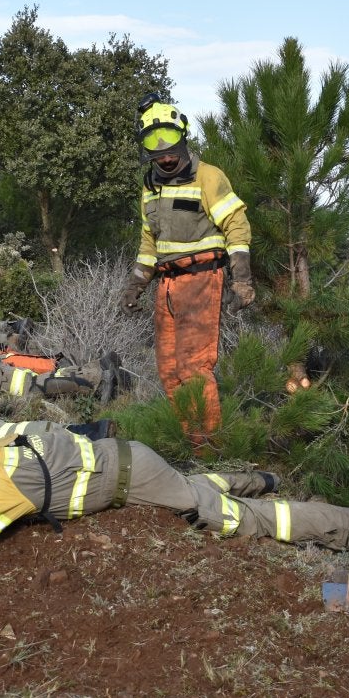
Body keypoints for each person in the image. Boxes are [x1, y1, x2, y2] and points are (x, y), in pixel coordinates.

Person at [0, 428, 349, 558]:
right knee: (196, 487)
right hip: (130, 457)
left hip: (138, 479)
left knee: (242, 521)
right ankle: (258, 478)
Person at [118, 97, 253, 445]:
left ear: (183, 136)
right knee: (170, 372)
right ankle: (189, 443)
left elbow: (236, 226)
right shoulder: (150, 187)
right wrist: (136, 283)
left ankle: (210, 449)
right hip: (166, 286)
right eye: (153, 145)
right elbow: (150, 242)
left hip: (201, 281)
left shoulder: (208, 177)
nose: (163, 153)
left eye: (168, 143)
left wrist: (242, 279)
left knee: (194, 369)